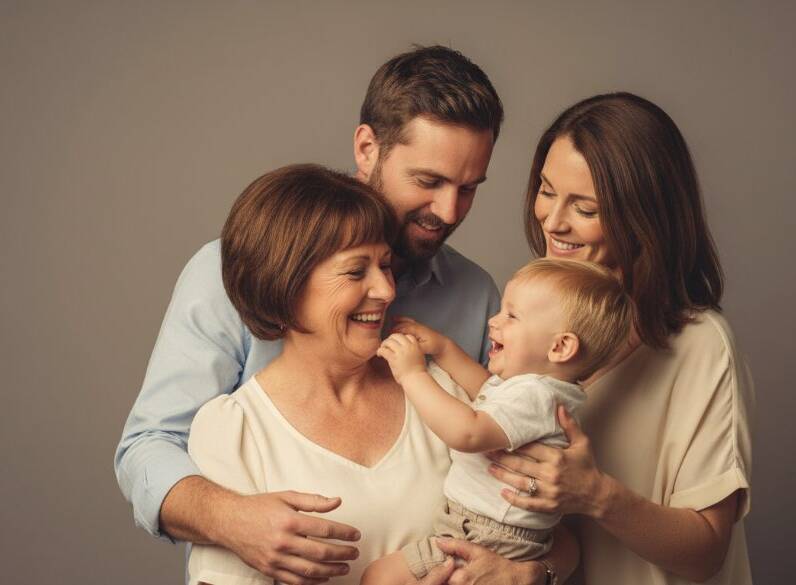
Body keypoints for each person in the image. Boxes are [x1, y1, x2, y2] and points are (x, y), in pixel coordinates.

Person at [114, 46, 511, 583]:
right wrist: (235, 521)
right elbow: (150, 447)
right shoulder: (227, 271)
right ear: (368, 148)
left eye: (468, 189)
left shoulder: (475, 296)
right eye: (428, 181)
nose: (448, 211)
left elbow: (512, 467)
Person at [186, 164, 576, 585]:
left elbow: (554, 535)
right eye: (357, 271)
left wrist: (529, 574)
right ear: (287, 285)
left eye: (386, 266)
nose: (387, 291)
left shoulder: (441, 393)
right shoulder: (234, 431)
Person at [483, 93, 755, 585]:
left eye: (584, 207)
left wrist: (596, 495)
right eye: (546, 191)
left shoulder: (700, 346)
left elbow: (706, 552)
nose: (553, 220)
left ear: (643, 217)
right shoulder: (530, 322)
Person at [363, 258, 634, 585]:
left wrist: (412, 373)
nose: (494, 321)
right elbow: (483, 392)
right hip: (489, 530)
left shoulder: (536, 395)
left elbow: (467, 431)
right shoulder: (528, 389)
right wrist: (443, 347)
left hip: (487, 535)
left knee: (381, 578)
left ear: (559, 347)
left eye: (511, 316)